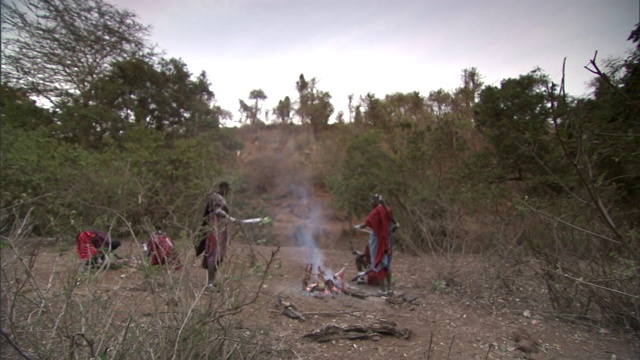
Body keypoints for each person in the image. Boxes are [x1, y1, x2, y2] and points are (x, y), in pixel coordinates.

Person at [353, 194, 399, 295]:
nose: (371, 202)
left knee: (378, 263)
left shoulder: (376, 211)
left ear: (375, 202)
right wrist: (388, 232)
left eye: (372, 201)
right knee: (386, 263)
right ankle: (389, 289)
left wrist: (358, 227)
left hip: (378, 240)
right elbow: (397, 224)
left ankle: (383, 291)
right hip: (387, 240)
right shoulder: (387, 210)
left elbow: (366, 223)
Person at [196, 181, 236, 291]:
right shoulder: (215, 196)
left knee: (218, 256)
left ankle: (212, 281)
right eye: (227, 188)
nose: (228, 191)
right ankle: (209, 284)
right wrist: (229, 218)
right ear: (223, 187)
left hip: (221, 231)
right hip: (214, 231)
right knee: (213, 256)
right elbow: (217, 211)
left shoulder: (221, 198)